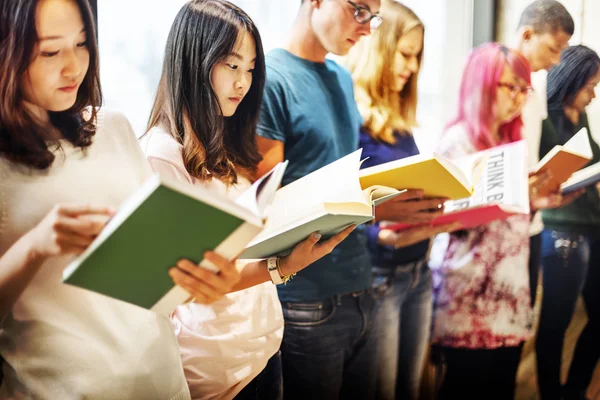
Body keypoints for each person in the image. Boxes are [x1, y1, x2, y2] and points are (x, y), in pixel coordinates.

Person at [0, 0, 240, 397]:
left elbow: (159, 263)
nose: (73, 67)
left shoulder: (111, 127)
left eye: (81, 44)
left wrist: (204, 279)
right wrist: (35, 247)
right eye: (50, 51)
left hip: (163, 380)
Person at [140, 1, 354, 399]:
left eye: (251, 69)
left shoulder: (225, 139)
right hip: (213, 367)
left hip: (262, 349)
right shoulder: (162, 154)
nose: (244, 82)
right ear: (193, 61)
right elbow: (191, 283)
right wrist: (281, 266)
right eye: (232, 66)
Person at [254, 0, 440, 398]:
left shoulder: (340, 76)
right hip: (307, 299)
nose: (367, 28)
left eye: (372, 16)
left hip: (362, 285)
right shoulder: (271, 80)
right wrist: (375, 207)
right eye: (359, 11)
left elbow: (342, 179)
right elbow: (269, 209)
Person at [344, 1, 458, 398]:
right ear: (379, 47)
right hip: (380, 278)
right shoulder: (350, 118)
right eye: (405, 54)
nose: (411, 67)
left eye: (417, 57)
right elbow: (340, 208)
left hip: (419, 272)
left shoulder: (398, 121)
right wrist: (378, 238)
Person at [429, 43, 556, 400]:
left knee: (502, 385)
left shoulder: (510, 139)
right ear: (482, 85)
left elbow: (508, 214)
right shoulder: (458, 143)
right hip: (469, 293)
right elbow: (443, 219)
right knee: (467, 387)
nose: (517, 98)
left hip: (510, 288)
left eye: (523, 89)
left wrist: (536, 199)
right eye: (509, 86)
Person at [536, 45, 600, 400]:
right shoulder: (546, 120)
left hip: (593, 225)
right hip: (562, 230)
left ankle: (574, 389)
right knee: (555, 324)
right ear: (572, 82)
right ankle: (550, 393)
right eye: (590, 86)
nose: (593, 95)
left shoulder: (582, 116)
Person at [512, 0, 574, 308]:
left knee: (523, 318)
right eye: (553, 48)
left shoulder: (533, 94)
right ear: (527, 36)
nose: (557, 61)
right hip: (499, 227)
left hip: (531, 223)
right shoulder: (494, 90)